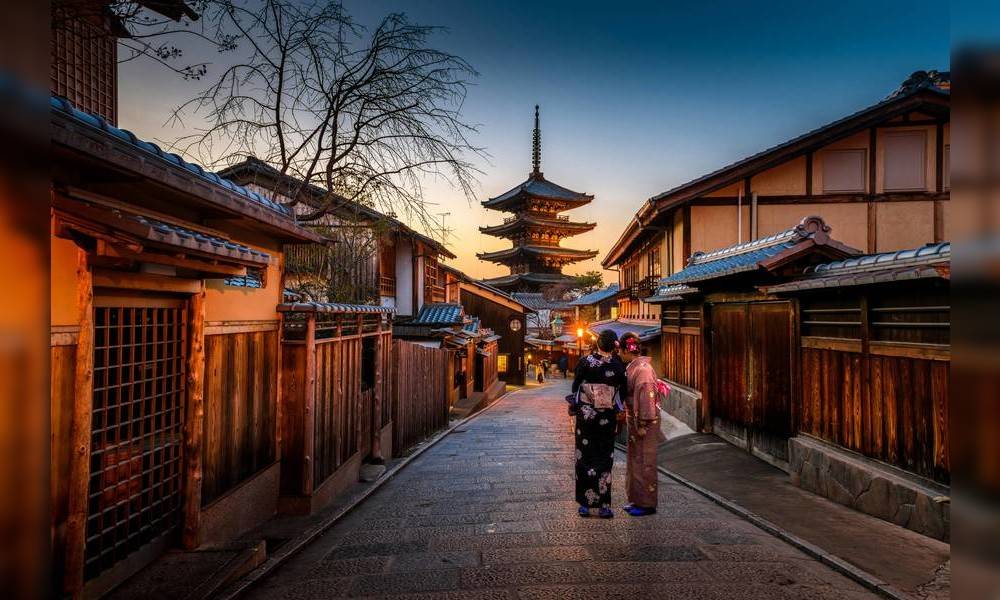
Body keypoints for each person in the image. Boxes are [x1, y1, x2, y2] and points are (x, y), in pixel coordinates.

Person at [566, 330, 626, 518]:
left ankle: (585, 504)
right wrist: (616, 408)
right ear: (614, 346)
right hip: (606, 417)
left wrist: (577, 405)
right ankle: (604, 505)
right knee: (604, 459)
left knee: (584, 457)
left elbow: (576, 386)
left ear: (598, 344)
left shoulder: (585, 362)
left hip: (586, 417)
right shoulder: (618, 366)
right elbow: (622, 392)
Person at [619, 331, 665, 516]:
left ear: (625, 349)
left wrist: (644, 423)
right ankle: (636, 499)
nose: (619, 354)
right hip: (636, 418)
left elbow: (646, 398)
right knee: (635, 459)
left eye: (620, 351)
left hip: (645, 421)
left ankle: (646, 503)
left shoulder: (643, 370)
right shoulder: (635, 366)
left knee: (645, 461)